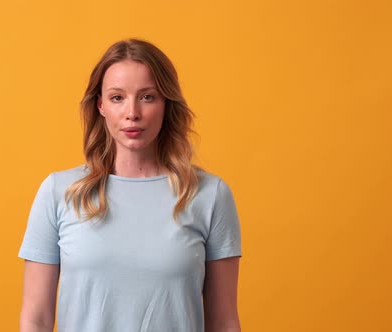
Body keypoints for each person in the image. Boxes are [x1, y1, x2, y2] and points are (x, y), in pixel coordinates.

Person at [18, 38, 242, 332]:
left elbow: (224, 322)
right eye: (117, 97)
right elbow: (36, 319)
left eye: (148, 97)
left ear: (166, 104)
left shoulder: (209, 195)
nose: (132, 112)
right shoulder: (59, 192)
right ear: (100, 105)